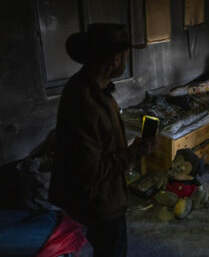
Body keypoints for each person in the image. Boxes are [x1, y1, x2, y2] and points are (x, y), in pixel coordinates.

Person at [49, 23, 153, 257]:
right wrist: (134, 153)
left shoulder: (95, 88)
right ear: (116, 59)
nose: (125, 60)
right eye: (125, 55)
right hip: (100, 204)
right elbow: (90, 172)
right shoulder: (85, 102)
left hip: (100, 198)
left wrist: (132, 150)